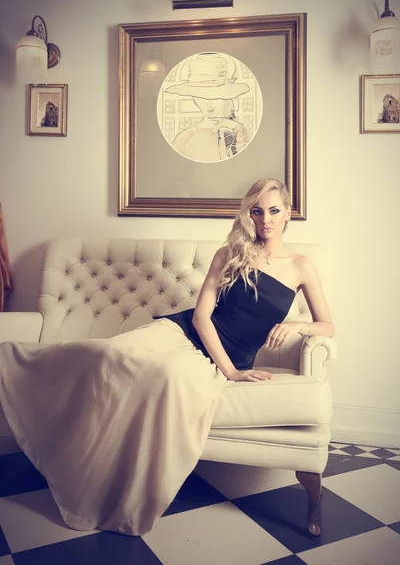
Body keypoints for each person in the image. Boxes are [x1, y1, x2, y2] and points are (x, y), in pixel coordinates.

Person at [0, 178, 334, 537]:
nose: (265, 219)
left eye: (273, 211)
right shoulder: (230, 253)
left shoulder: (302, 266)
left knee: (164, 375)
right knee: (111, 351)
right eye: (257, 211)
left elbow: (327, 325)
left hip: (221, 356)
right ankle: (20, 363)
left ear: (287, 214)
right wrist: (231, 373)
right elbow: (200, 317)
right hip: (183, 332)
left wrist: (300, 326)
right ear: (248, 215)